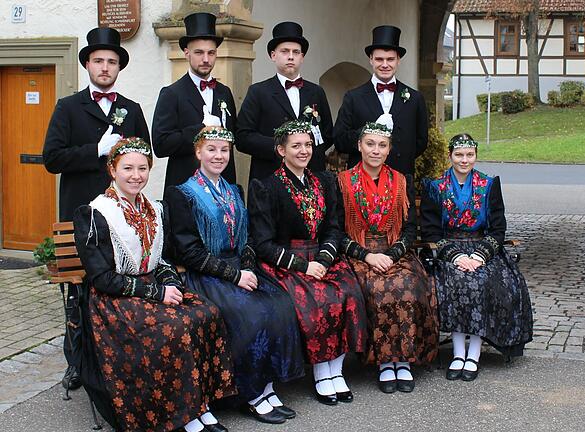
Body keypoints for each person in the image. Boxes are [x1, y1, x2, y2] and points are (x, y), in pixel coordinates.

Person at [73, 137, 235, 432]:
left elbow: (161, 260)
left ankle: (200, 403)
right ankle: (182, 412)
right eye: (128, 168)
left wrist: (171, 285)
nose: (136, 176)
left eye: (143, 168)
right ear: (112, 170)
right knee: (173, 328)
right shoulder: (95, 213)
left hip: (152, 287)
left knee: (206, 313)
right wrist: (158, 293)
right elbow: (102, 278)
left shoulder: (154, 209)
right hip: (114, 298)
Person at [165, 126, 304, 425]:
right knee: (250, 314)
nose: (218, 156)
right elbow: (188, 253)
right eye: (211, 149)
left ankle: (266, 387)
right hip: (206, 273)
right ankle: (249, 394)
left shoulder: (233, 189)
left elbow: (249, 238)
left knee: (280, 304)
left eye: (224, 150)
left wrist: (248, 268)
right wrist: (234, 275)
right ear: (198, 152)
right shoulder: (182, 194)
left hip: (239, 269)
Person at [43, 26, 150, 392]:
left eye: (112, 62)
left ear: (119, 67)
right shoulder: (68, 107)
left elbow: (144, 156)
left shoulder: (131, 109)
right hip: (83, 213)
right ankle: (76, 363)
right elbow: (52, 158)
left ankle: (116, 358)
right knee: (80, 293)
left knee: (117, 286)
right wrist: (95, 150)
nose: (105, 67)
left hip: (122, 215)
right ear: (87, 64)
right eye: (99, 60)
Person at [249, 120, 366, 406]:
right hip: (288, 262)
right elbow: (263, 243)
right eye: (296, 146)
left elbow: (333, 229)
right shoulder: (266, 187)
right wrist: (304, 267)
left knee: (348, 292)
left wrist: (325, 259)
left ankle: (336, 371)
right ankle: (320, 373)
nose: (304, 151)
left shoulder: (325, 181)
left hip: (323, 256)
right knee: (316, 300)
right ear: (281, 150)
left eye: (308, 145)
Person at [421, 134, 533, 381]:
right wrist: (455, 256)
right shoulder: (435, 186)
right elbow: (430, 230)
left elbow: (498, 228)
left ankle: (474, 353)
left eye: (469, 155)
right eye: (459, 155)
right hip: (448, 248)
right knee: (458, 282)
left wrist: (480, 255)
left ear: (475, 156)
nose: (464, 160)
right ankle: (458, 353)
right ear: (450, 155)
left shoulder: (489, 184)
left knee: (482, 281)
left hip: (483, 247)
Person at [337, 122, 438, 393]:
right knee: (378, 289)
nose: (376, 150)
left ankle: (403, 360)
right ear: (359, 146)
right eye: (370, 144)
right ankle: (384, 362)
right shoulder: (343, 182)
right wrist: (367, 256)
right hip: (359, 251)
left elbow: (408, 229)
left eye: (382, 145)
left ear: (389, 149)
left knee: (408, 286)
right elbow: (336, 232)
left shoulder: (402, 181)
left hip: (395, 251)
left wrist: (392, 255)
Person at [237, 21, 333, 181]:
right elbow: (243, 137)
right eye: (285, 51)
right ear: (273, 55)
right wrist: (281, 147)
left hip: (311, 177)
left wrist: (305, 153)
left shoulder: (316, 92)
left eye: (296, 52)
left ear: (302, 57)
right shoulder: (258, 92)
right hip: (270, 176)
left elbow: (327, 134)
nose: (290, 56)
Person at [153, 12, 238, 192]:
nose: (206, 59)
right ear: (186, 53)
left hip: (223, 186)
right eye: (199, 52)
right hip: (186, 187)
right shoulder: (171, 93)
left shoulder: (224, 92)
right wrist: (200, 129)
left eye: (211, 53)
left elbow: (232, 139)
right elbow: (161, 145)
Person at [334, 25, 428, 175]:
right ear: (371, 60)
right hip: (362, 180)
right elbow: (340, 140)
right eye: (379, 59)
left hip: (401, 177)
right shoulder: (353, 97)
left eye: (390, 59)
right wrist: (368, 131)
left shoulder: (415, 98)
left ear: (398, 60)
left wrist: (399, 158)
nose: (385, 65)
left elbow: (421, 142)